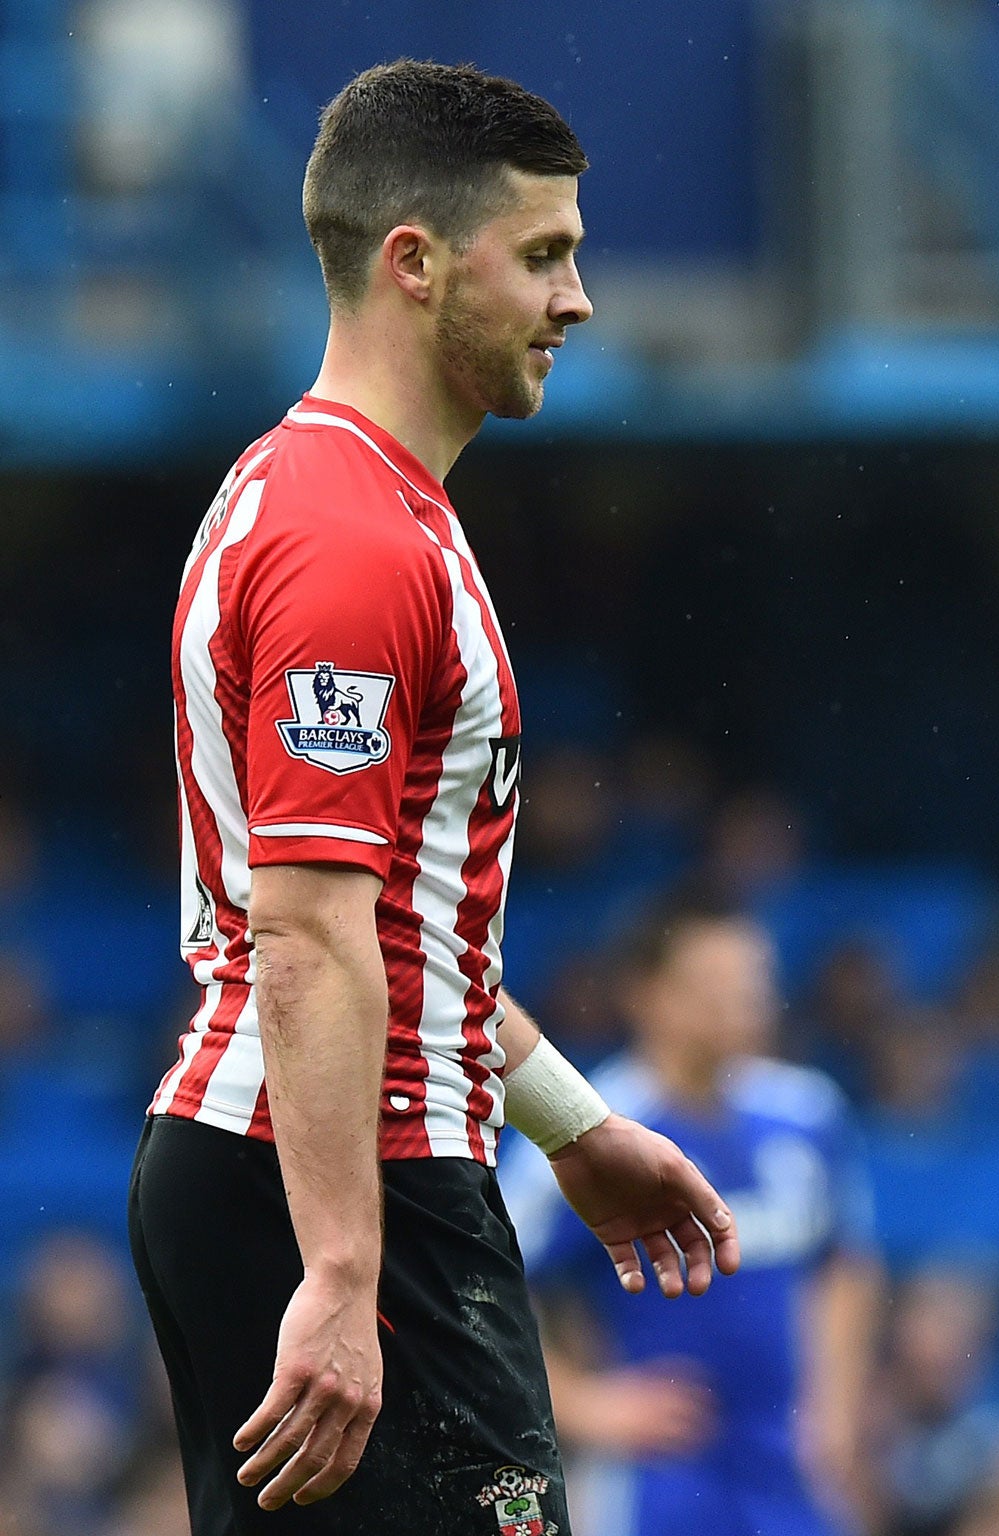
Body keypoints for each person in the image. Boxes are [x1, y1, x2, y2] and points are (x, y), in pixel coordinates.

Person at [130, 61, 740, 1535]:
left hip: (316, 1160)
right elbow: (309, 937)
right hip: (348, 1184)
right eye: (543, 255)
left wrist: (570, 1125)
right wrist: (340, 1274)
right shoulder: (352, 541)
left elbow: (395, 931)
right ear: (414, 261)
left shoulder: (342, 499)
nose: (578, 299)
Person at [503, 886, 884, 1536]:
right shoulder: (587, 1134)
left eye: (754, 978)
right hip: (660, 1479)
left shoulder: (807, 1114)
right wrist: (586, 1406)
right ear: (646, 993)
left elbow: (845, 1262)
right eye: (716, 982)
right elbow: (493, 1283)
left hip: (789, 1471)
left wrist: (837, 1409)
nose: (744, 998)